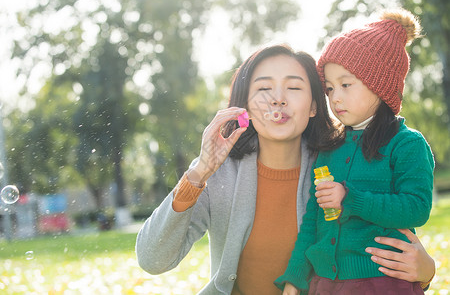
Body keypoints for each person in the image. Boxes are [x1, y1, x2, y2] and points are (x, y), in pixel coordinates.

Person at [135, 44, 435, 295]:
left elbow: (389, 227)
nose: (278, 99)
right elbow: (152, 259)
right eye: (264, 88)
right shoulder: (218, 173)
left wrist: (425, 270)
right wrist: (200, 171)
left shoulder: (336, 166)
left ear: (315, 105)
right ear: (247, 107)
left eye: (293, 87)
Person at [275, 9, 435, 295]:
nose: (335, 97)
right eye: (329, 88)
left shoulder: (407, 144)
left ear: (380, 85)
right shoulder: (330, 149)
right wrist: (294, 278)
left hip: (383, 283)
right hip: (325, 285)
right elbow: (313, 220)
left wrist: (351, 199)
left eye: (346, 85)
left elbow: (417, 208)